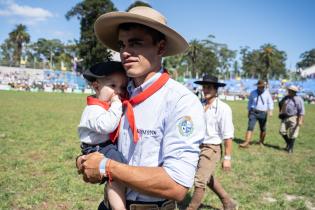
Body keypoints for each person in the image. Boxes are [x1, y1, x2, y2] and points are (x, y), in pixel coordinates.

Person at [76, 6, 206, 210]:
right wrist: (85, 160)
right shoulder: (120, 91)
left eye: (136, 43)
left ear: (161, 48)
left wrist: (106, 166)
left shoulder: (181, 102)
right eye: (122, 44)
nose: (125, 52)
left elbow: (177, 185)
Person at [78, 61, 128, 210]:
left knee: (118, 173)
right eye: (113, 86)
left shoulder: (103, 105)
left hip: (104, 145)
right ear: (96, 86)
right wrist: (117, 104)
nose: (117, 92)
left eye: (122, 87)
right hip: (97, 148)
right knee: (117, 173)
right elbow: (108, 125)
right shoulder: (93, 109)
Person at [186, 75, 237, 210]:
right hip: (197, 146)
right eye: (204, 87)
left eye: (209, 87)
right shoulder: (200, 105)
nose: (206, 90)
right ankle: (228, 202)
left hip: (212, 148)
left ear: (216, 89)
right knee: (206, 177)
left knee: (200, 181)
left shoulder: (223, 108)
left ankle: (191, 208)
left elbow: (228, 135)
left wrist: (227, 158)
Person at [239, 79, 274, 148]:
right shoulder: (253, 93)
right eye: (261, 86)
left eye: (263, 86)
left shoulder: (267, 93)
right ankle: (246, 142)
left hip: (263, 113)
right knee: (250, 127)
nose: (262, 88)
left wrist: (271, 111)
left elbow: (270, 102)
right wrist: (249, 111)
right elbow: (250, 102)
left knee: (263, 129)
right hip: (253, 112)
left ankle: (261, 142)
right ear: (258, 86)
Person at [278, 85, 305, 153]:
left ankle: (290, 149)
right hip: (285, 117)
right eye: (288, 90)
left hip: (294, 117)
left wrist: (300, 120)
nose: (288, 91)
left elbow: (301, 111)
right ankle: (289, 143)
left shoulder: (299, 99)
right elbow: (281, 105)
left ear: (294, 92)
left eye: (289, 90)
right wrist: (281, 113)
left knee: (293, 133)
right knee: (282, 131)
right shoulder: (286, 98)